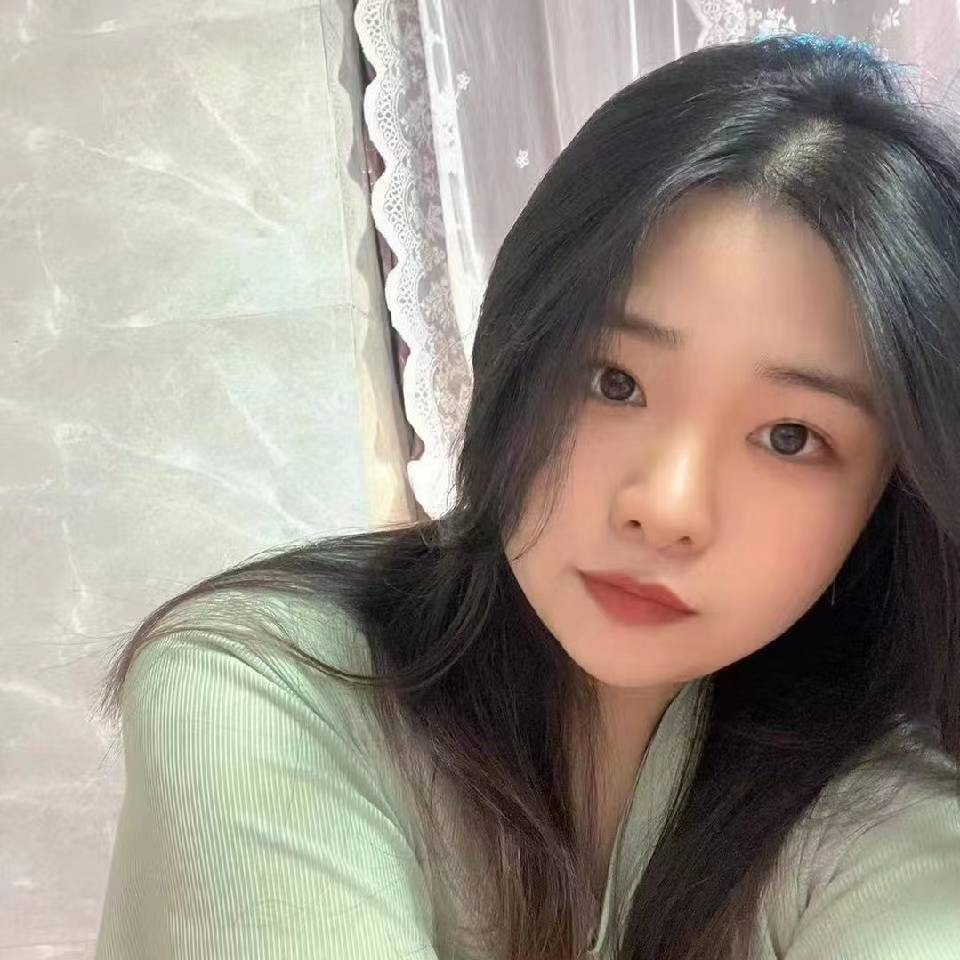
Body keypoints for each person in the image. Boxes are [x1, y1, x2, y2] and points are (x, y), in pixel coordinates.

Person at [93, 32, 960, 960]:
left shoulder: (892, 816)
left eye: (790, 437)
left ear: (890, 489)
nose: (665, 508)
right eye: (613, 382)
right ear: (516, 355)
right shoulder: (266, 683)